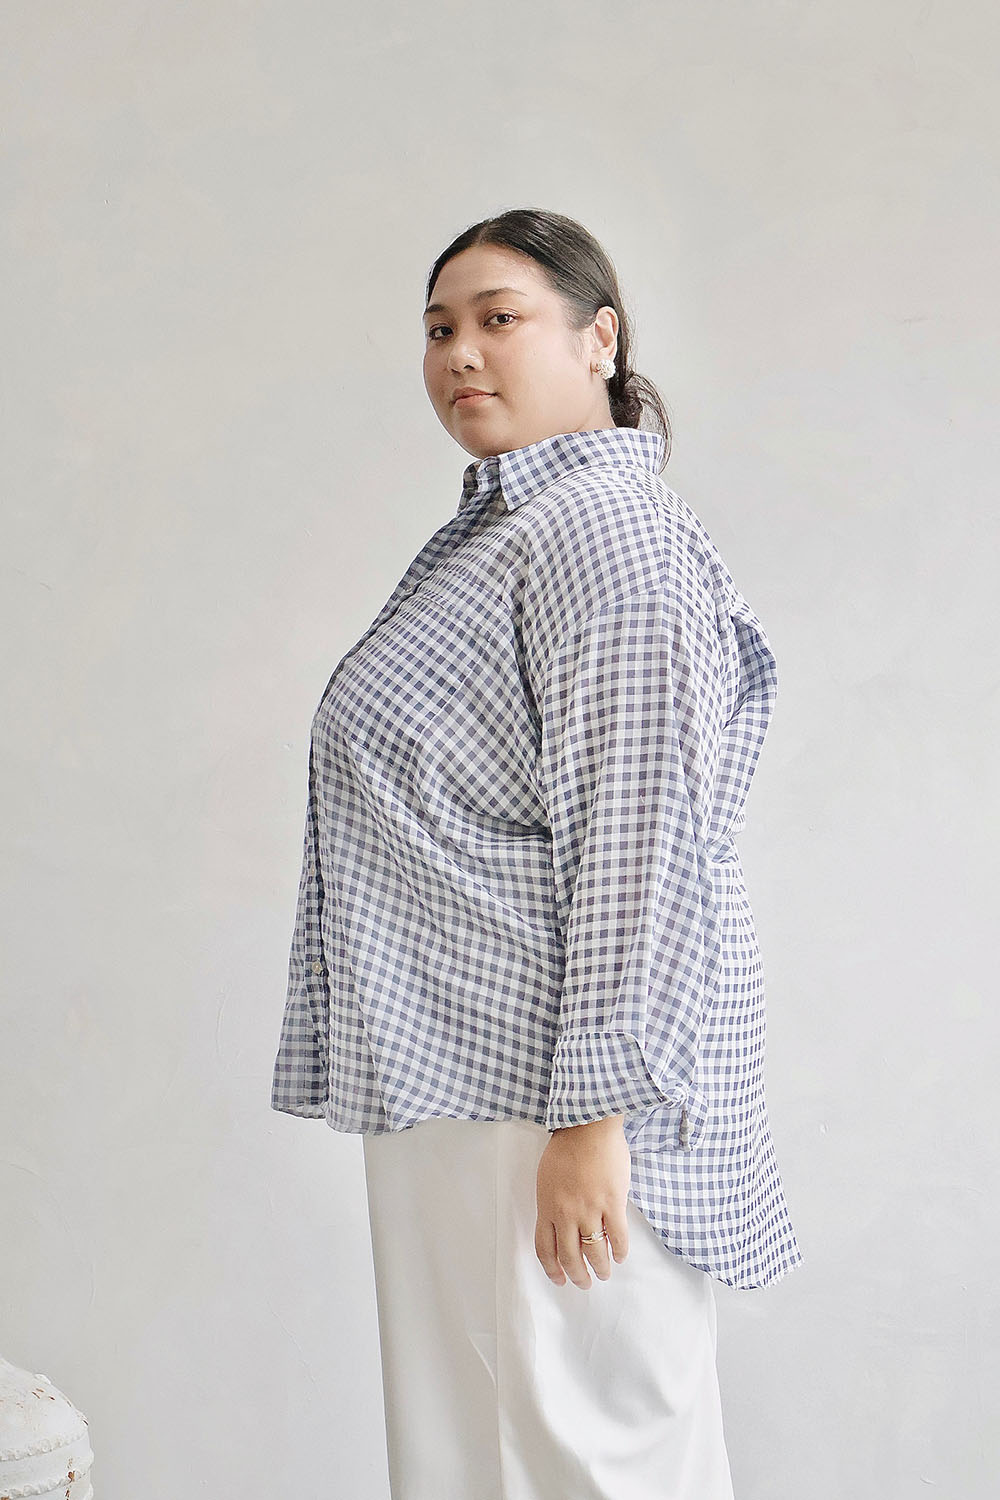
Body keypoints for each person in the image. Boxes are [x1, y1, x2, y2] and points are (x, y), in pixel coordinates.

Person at [270, 206, 803, 1500]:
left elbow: (640, 837)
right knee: (471, 1459)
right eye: (438, 329)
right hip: (465, 1086)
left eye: (498, 318)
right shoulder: (503, 535)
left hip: (553, 1103)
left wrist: (593, 1120)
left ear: (598, 339)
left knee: (592, 1457)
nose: (459, 352)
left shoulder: (604, 532)